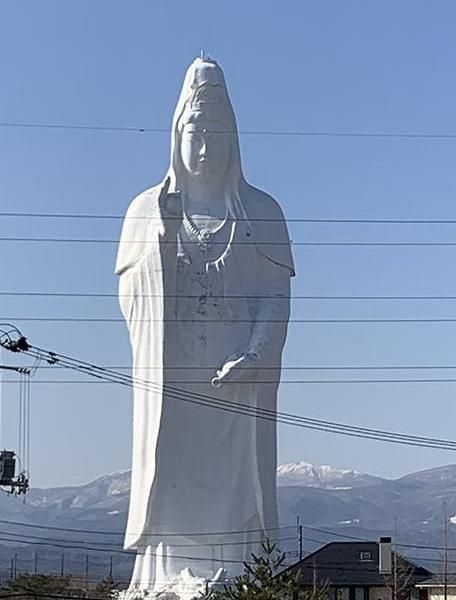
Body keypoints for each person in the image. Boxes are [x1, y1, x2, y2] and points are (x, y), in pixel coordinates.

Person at [115, 57, 295, 593]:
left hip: (238, 382)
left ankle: (235, 572)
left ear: (233, 139)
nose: (205, 146)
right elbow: (129, 296)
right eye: (195, 132)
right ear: (177, 135)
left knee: (237, 479)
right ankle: (167, 574)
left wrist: (257, 353)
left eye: (217, 134)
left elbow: (275, 296)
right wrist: (162, 240)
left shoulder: (261, 212)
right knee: (169, 469)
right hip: (172, 381)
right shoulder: (147, 210)